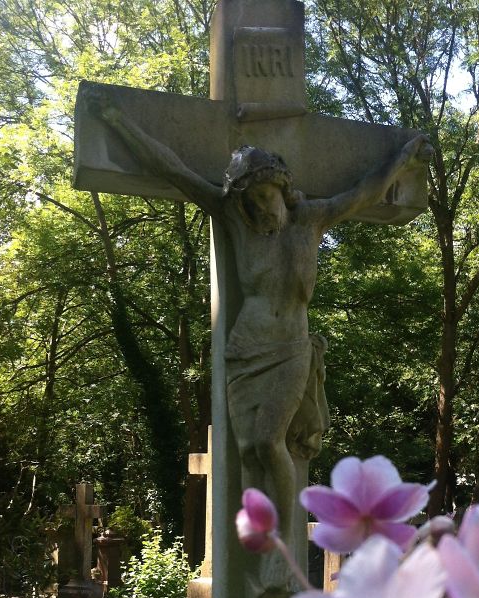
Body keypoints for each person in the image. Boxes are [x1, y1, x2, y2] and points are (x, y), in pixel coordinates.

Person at [87, 91, 432, 564]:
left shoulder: (312, 218)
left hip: (289, 344)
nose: (263, 208)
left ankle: (279, 552)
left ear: (283, 187)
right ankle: (257, 540)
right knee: (250, 450)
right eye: (253, 201)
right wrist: (118, 123)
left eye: (267, 196)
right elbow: (174, 170)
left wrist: (402, 158)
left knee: (271, 442)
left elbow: (365, 192)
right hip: (246, 346)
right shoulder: (235, 218)